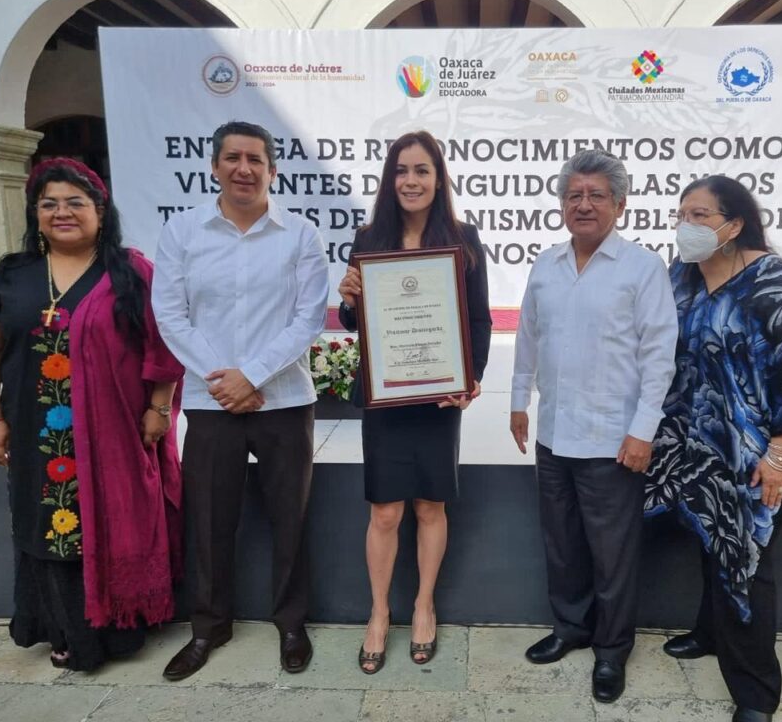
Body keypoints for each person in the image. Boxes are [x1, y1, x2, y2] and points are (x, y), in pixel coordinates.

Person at [645, 176, 782, 722]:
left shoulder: (773, 281)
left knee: (744, 557)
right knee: (710, 536)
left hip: (766, 451)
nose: (686, 226)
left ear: (734, 224)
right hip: (703, 444)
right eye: (682, 214)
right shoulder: (681, 278)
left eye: (700, 215)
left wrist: (781, 451)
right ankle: (709, 632)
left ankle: (756, 695)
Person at [0, 157, 184, 671]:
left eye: (75, 203)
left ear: (100, 211)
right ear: (35, 214)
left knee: (108, 521)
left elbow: (163, 346)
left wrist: (159, 408)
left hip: (114, 434)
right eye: (49, 204)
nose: (62, 212)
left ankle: (116, 631)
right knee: (49, 523)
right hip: (35, 433)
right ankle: (64, 629)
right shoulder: (13, 273)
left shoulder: (130, 273)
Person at [153, 121, 329, 680]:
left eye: (255, 159)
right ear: (214, 166)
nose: (244, 168)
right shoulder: (182, 232)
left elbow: (307, 319)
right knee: (209, 519)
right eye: (233, 158)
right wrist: (220, 378)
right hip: (210, 404)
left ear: (273, 171)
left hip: (283, 402)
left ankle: (292, 622)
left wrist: (250, 376)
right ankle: (208, 627)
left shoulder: (300, 235)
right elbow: (170, 314)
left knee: (290, 517)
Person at [509, 149, 678, 703]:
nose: (583, 205)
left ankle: (611, 651)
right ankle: (570, 629)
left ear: (620, 205)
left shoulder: (642, 268)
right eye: (574, 195)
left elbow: (660, 356)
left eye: (596, 195)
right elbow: (529, 339)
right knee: (562, 545)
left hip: (614, 440)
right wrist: (518, 402)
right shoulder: (546, 265)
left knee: (613, 554)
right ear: (562, 205)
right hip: (555, 432)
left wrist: (643, 430)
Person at [337, 131, 491, 674]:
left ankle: (424, 604)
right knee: (384, 510)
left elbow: (478, 320)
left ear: (438, 178)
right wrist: (350, 297)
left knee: (430, 505)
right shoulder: (368, 237)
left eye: (422, 170)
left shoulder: (465, 239)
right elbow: (358, 326)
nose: (411, 180)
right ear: (390, 178)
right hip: (387, 398)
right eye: (402, 170)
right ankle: (378, 614)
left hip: (437, 398)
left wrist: (469, 378)